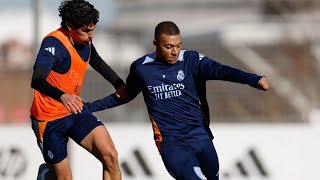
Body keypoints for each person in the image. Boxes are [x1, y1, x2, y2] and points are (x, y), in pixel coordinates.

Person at [85, 21, 270, 180]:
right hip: (172, 145)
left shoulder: (192, 60)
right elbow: (124, 96)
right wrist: (88, 107)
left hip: (201, 138)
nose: (175, 52)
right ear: (156, 43)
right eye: (168, 47)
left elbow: (222, 71)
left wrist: (253, 79)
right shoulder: (141, 68)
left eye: (178, 45)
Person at [30, 0, 125, 179]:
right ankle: (46, 174)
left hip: (75, 111)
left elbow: (96, 60)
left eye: (93, 29)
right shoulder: (54, 44)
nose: (91, 35)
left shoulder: (85, 42)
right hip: (48, 119)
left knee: (110, 156)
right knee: (64, 178)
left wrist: (119, 84)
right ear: (70, 26)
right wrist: (63, 96)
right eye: (86, 31)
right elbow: (37, 80)